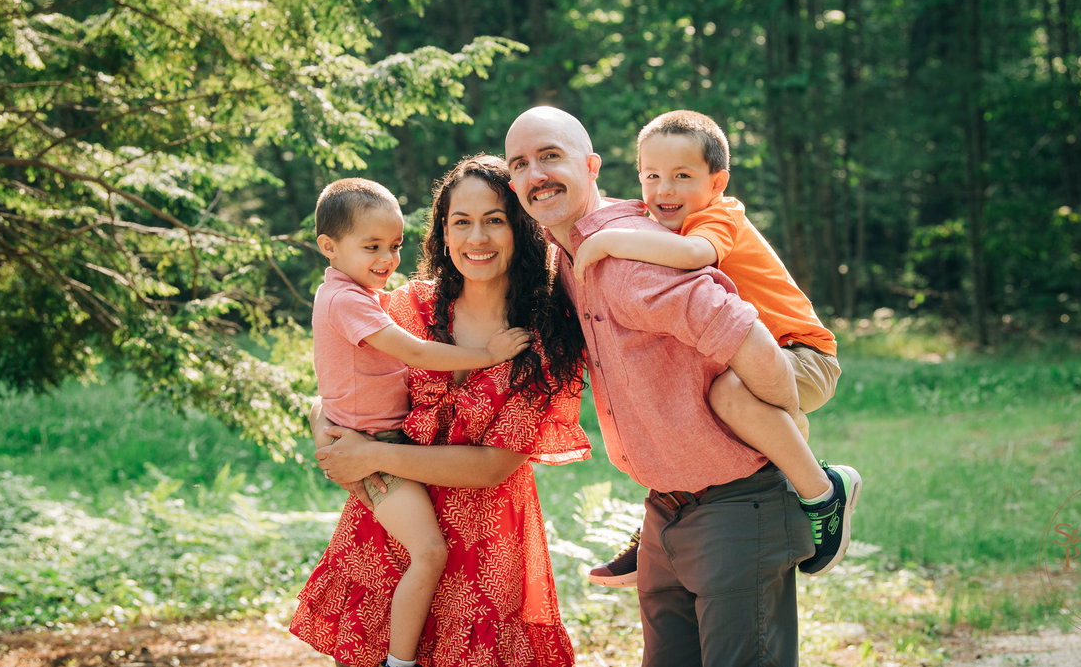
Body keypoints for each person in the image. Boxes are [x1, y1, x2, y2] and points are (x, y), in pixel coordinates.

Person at [505, 106, 857, 667]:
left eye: (550, 156)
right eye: (520, 163)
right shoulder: (568, 256)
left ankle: (818, 489)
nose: (535, 173)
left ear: (591, 166)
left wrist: (785, 428)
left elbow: (750, 339)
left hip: (737, 506)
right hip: (669, 512)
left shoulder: (628, 255)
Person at [291, 155, 590, 667]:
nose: (478, 238)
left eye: (494, 220)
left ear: (521, 228)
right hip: (389, 535)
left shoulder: (544, 338)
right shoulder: (406, 307)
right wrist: (330, 439)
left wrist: (368, 457)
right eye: (461, 222)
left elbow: (491, 467)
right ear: (443, 233)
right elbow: (338, 386)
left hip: (483, 548)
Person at [571, 110, 859, 586]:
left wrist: (606, 241)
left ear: (717, 180)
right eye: (652, 176)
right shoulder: (657, 221)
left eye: (683, 176)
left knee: (726, 395)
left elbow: (693, 256)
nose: (664, 190)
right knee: (671, 386)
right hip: (748, 354)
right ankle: (667, 519)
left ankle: (823, 491)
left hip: (802, 353)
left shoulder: (717, 215)